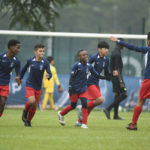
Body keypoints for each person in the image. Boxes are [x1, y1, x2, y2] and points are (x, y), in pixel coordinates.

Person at [110, 32, 150, 130]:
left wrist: (118, 41)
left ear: (149, 41)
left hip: (148, 79)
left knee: (140, 101)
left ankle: (133, 124)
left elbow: (134, 48)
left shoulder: (148, 49)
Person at [57, 49, 108, 129]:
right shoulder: (76, 66)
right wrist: (70, 87)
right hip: (74, 89)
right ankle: (61, 113)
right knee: (73, 106)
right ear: (79, 57)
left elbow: (96, 75)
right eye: (83, 55)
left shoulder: (89, 65)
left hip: (83, 89)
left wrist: (105, 77)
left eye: (86, 54)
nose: (86, 56)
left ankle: (84, 124)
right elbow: (72, 77)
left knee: (84, 104)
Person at [75, 41, 111, 126]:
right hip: (89, 82)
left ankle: (79, 122)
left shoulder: (106, 60)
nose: (106, 50)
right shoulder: (94, 58)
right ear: (99, 49)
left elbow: (106, 73)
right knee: (100, 100)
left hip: (96, 82)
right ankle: (82, 107)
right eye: (104, 49)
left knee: (93, 105)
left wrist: (111, 76)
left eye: (107, 49)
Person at [21, 44, 52, 127]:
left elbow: (49, 73)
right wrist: (20, 77)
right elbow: (24, 69)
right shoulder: (30, 60)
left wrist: (49, 76)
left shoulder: (45, 62)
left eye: (43, 51)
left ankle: (28, 121)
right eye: (40, 51)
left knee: (34, 106)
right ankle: (25, 111)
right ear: (35, 52)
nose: (42, 53)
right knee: (32, 101)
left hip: (38, 87)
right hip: (30, 84)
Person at [103, 38, 127, 120]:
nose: (124, 46)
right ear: (120, 44)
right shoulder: (117, 54)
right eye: (123, 44)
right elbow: (116, 70)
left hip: (115, 78)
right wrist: (121, 81)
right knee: (124, 94)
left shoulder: (115, 52)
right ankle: (108, 108)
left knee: (117, 95)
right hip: (117, 78)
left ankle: (115, 115)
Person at [0, 40, 21, 117]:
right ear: (11, 47)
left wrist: (18, 78)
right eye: (17, 47)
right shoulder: (1, 56)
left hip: (5, 83)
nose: (19, 50)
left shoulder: (17, 61)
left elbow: (18, 73)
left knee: (2, 103)